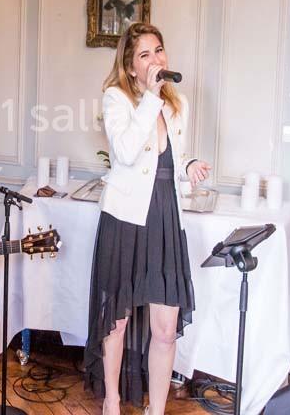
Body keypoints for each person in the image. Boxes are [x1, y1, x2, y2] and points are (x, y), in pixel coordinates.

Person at [84, 23, 211, 415]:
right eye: (145, 55)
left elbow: (170, 154)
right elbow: (124, 152)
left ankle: (156, 410)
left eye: (159, 50)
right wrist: (150, 98)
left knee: (165, 327)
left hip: (164, 219)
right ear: (130, 65)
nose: (156, 59)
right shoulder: (116, 99)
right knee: (118, 321)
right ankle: (112, 400)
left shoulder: (178, 103)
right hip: (125, 221)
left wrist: (188, 163)